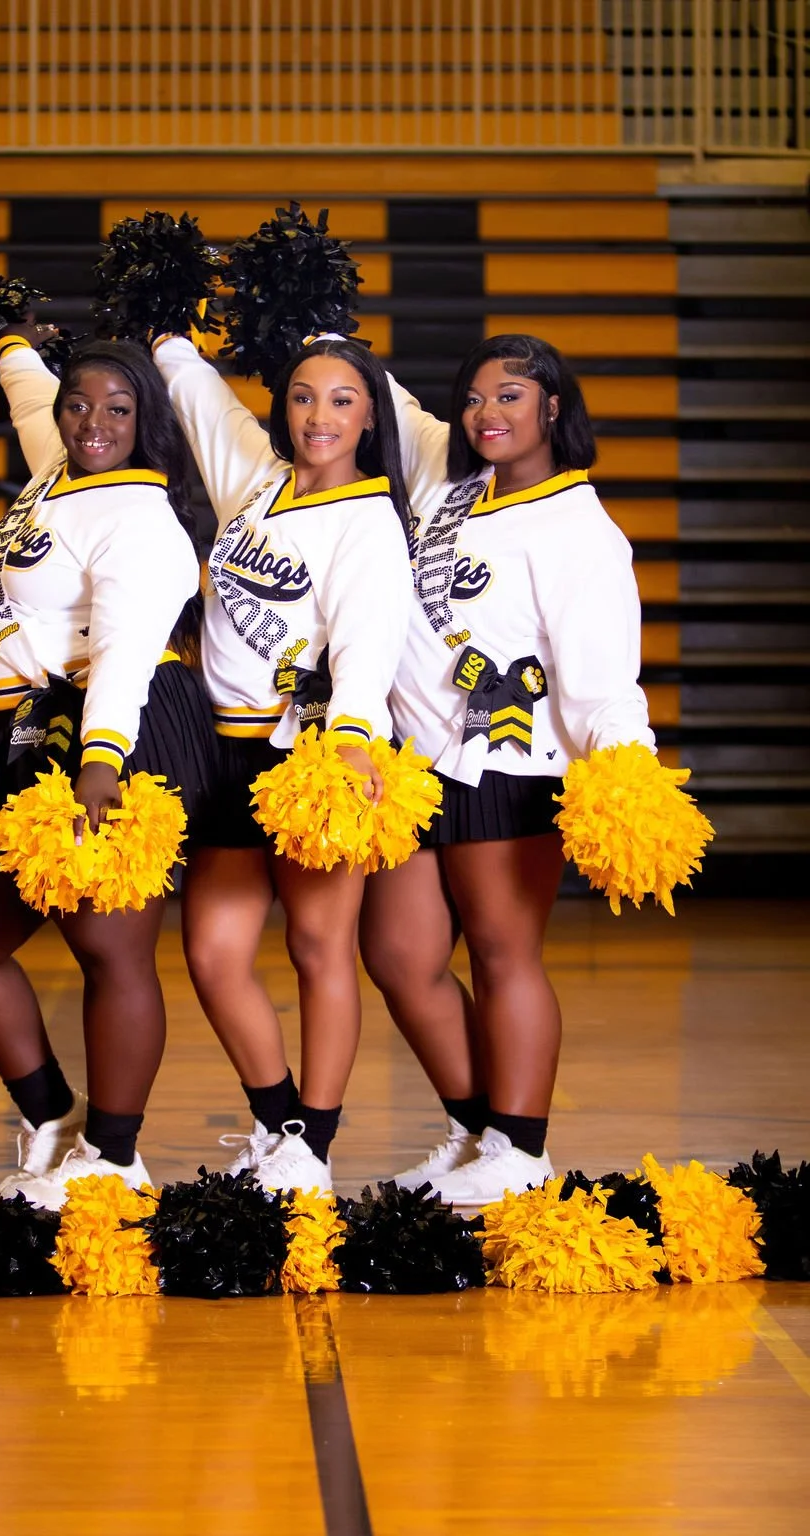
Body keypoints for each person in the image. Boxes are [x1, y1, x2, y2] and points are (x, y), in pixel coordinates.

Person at [0, 328, 215, 1207]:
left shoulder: (139, 515)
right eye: (78, 406)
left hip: (108, 729)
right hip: (14, 730)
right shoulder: (58, 470)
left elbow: (124, 651)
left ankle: (116, 1158)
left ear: (144, 421)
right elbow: (27, 395)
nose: (91, 423)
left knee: (107, 947)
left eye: (116, 410)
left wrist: (102, 760)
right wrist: (6, 336)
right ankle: (55, 1119)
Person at [359, 334, 655, 1206]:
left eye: (512, 397)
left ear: (553, 409)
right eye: (476, 398)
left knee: (502, 952)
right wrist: (318, 323)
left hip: (512, 766)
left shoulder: (581, 531)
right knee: (398, 954)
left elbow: (605, 682)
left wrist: (629, 776)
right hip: (418, 767)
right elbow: (399, 410)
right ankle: (475, 1131)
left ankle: (521, 1150)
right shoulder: (452, 494)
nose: (488, 414)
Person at [152, 332, 414, 1193]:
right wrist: (168, 338)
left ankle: (314, 1146)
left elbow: (371, 646)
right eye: (304, 396)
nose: (319, 416)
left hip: (306, 757)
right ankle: (277, 1122)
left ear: (372, 414)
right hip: (221, 752)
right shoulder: (256, 482)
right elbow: (199, 397)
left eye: (342, 400)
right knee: (214, 954)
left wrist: (349, 739)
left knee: (317, 946)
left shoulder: (370, 521)